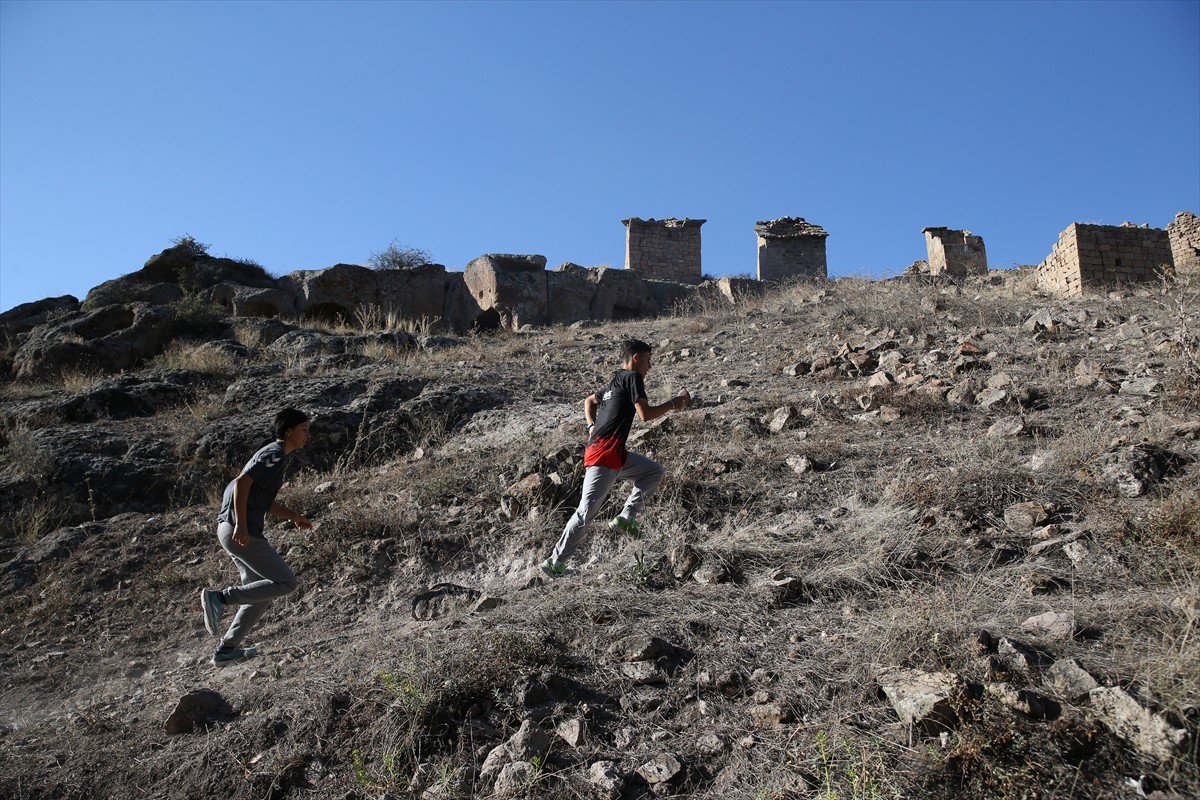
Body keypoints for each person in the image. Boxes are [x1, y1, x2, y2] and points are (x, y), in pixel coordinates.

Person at [541, 339, 689, 577]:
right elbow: (644, 415)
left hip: (615, 454)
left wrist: (591, 425)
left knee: (653, 472)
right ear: (636, 358)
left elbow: (589, 401)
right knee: (585, 512)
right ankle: (554, 563)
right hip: (604, 456)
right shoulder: (632, 378)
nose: (650, 367)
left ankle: (626, 518)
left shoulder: (614, 382)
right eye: (648, 360)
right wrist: (673, 403)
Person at [200, 408, 313, 667]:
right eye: (304, 429)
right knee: (286, 582)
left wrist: (294, 516)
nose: (308, 435)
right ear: (288, 431)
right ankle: (219, 598)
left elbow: (264, 501)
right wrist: (241, 525)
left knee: (260, 592)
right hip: (240, 531)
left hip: (231, 529)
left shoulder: (275, 456)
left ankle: (227, 650)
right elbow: (241, 483)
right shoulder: (274, 453)